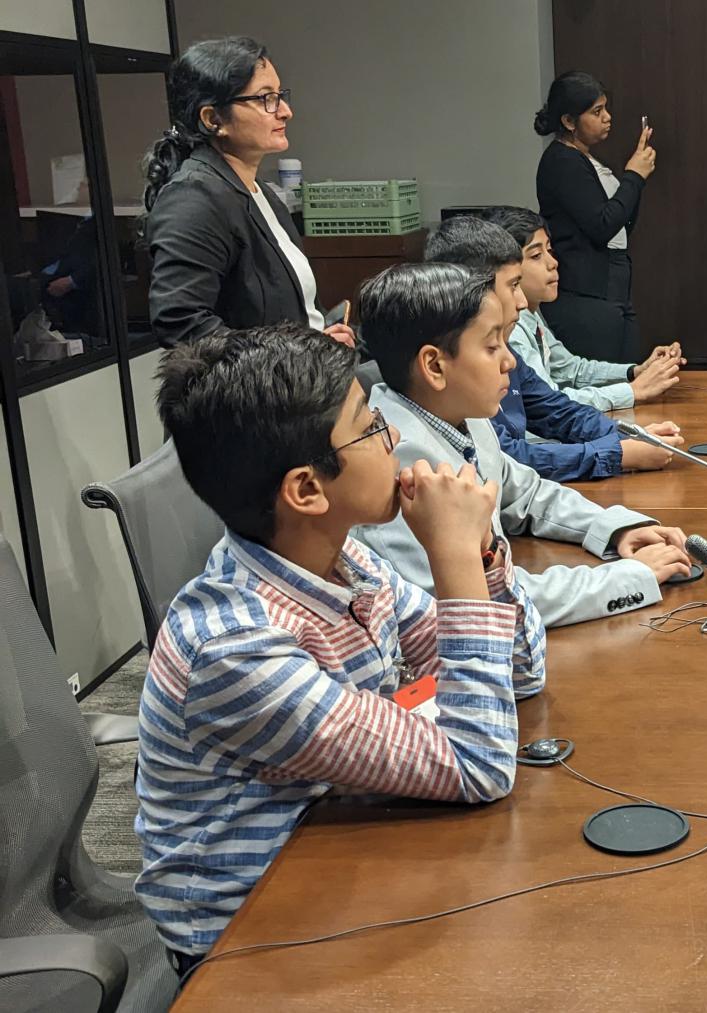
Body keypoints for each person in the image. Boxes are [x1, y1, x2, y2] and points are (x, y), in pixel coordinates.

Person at [135, 325, 543, 967]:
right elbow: (478, 767)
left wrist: (483, 553)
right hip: (249, 937)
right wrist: (455, 554)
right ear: (306, 490)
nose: (395, 441)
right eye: (371, 428)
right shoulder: (237, 649)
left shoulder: (344, 559)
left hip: (338, 847)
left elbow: (519, 670)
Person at [355, 262, 692, 627]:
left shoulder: (462, 414)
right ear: (434, 367)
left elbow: (526, 493)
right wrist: (625, 578)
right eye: (491, 345)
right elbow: (474, 603)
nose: (510, 360)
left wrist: (615, 528)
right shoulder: (397, 464)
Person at [426, 215, 683, 482]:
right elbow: (508, 459)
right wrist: (617, 453)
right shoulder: (456, 363)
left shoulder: (506, 348)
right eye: (514, 285)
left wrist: (626, 436)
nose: (522, 301)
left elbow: (556, 410)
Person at [142, 36, 354, 348]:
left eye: (280, 96)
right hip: (257, 392)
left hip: (307, 380)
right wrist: (296, 354)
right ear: (213, 119)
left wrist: (317, 336)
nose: (285, 111)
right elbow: (181, 322)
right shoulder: (193, 198)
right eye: (266, 99)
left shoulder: (260, 192)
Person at [475, 205, 684, 411]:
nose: (553, 263)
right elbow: (549, 402)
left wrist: (635, 372)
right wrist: (632, 391)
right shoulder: (512, 330)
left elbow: (572, 370)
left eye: (549, 250)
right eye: (536, 256)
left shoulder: (530, 315)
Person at [534, 71, 654, 362]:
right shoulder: (563, 161)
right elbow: (601, 226)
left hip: (611, 286)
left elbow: (621, 222)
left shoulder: (585, 158)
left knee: (628, 374)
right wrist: (634, 177)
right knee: (608, 380)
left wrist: (635, 179)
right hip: (585, 292)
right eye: (597, 111)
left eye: (606, 108)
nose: (607, 117)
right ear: (568, 121)